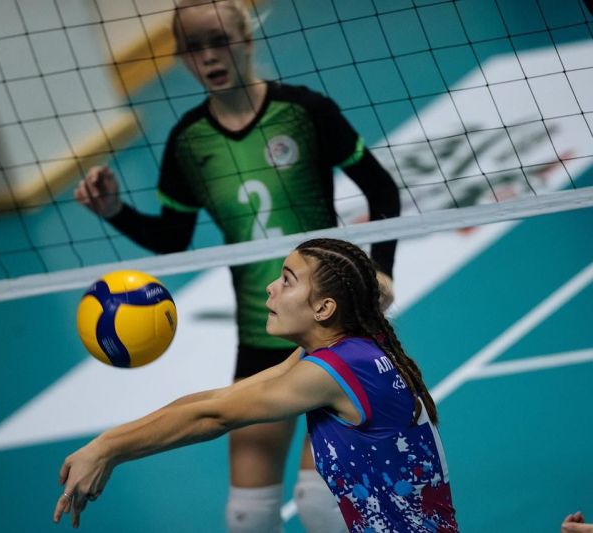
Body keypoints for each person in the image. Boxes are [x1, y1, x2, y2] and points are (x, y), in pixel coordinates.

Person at [73, 1, 400, 530]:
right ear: (181, 58)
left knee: (321, 502)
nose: (208, 56)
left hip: (332, 327)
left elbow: (381, 190)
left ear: (246, 39)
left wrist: (381, 271)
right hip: (260, 331)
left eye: (219, 40)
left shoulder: (304, 111)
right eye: (194, 47)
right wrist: (114, 211)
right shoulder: (187, 142)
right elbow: (173, 238)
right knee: (248, 516)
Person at [53, 238, 458, 531]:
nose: (271, 287)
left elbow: (214, 416)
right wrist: (108, 446)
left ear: (324, 308)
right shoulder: (352, 345)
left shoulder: (334, 370)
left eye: (288, 280)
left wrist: (108, 448)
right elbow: (224, 399)